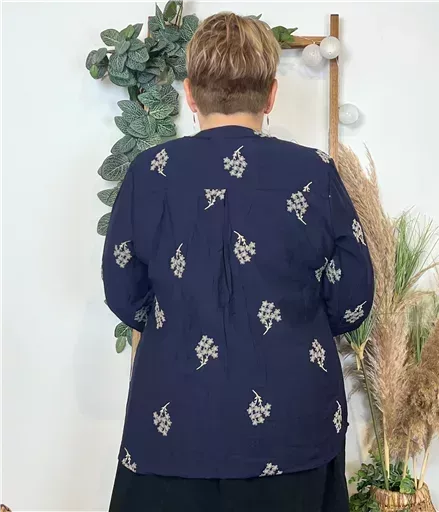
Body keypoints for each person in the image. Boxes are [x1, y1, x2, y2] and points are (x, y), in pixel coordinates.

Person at [104, 12, 374, 512]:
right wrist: (297, 322)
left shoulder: (150, 173)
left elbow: (123, 290)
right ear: (271, 95)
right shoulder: (313, 171)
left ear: (190, 94)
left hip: (174, 422)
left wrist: (176, 319)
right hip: (293, 425)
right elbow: (353, 295)